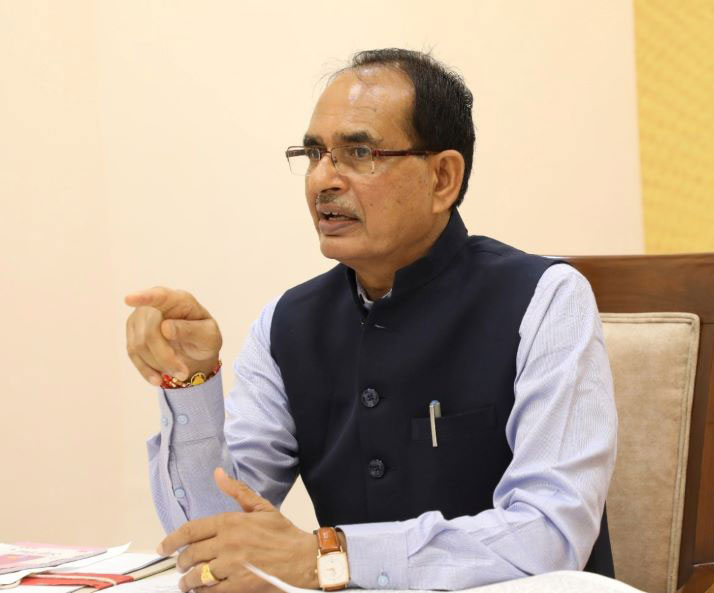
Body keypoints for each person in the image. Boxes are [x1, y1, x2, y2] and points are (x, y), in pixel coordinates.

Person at [125, 48, 617, 593]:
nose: (322, 180)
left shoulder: (544, 299)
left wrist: (327, 557)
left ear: (443, 178)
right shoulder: (286, 324)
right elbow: (209, 539)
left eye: (358, 152)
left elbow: (551, 533)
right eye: (314, 153)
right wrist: (191, 382)